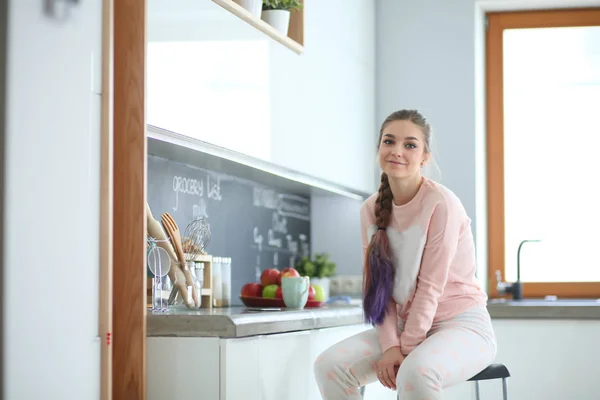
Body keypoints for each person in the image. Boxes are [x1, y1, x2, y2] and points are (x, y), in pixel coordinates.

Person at [313, 109, 497, 399]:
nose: (397, 151)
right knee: (329, 367)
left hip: (462, 325)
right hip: (401, 328)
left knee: (415, 372)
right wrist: (390, 347)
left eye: (410, 144)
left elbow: (430, 287)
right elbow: (378, 288)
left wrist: (405, 351)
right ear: (378, 149)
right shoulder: (370, 210)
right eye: (389, 141)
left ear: (425, 157)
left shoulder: (442, 203)